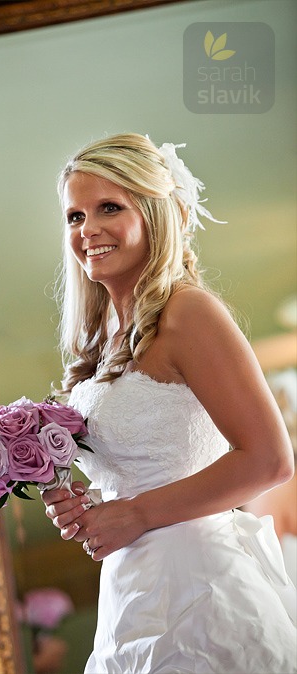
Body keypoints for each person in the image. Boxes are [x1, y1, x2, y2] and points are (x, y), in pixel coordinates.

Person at [40, 133, 296, 673]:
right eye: (74, 216)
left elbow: (270, 460)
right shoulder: (110, 336)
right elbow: (143, 469)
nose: (88, 230)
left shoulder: (189, 312)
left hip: (199, 589)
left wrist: (133, 513)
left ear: (155, 214)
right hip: (132, 589)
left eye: (109, 207)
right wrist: (90, 507)